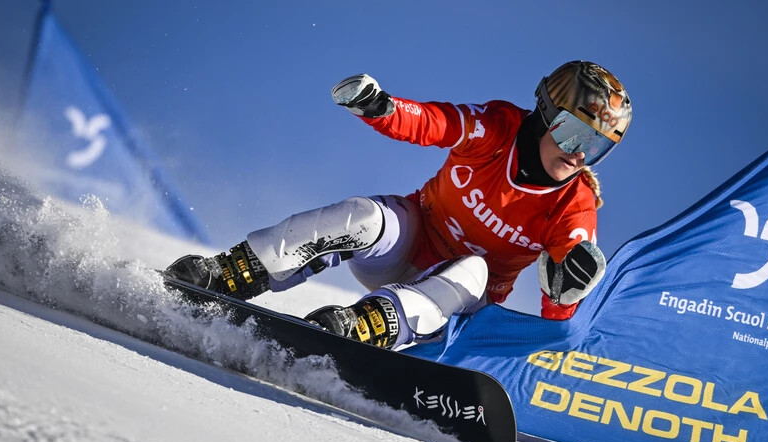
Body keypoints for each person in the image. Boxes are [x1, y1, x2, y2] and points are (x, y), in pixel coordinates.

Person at [166, 60, 632, 350]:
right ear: (546, 114)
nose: (578, 155)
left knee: (476, 269)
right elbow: (436, 123)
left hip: (454, 304)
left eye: (596, 148)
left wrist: (565, 294)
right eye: (575, 133)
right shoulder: (498, 129)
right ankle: (228, 273)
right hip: (406, 245)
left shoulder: (575, 204)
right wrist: (382, 108)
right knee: (365, 215)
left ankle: (360, 330)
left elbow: (559, 321)